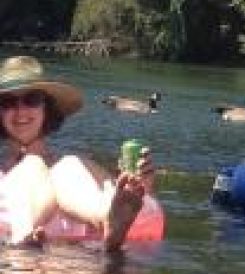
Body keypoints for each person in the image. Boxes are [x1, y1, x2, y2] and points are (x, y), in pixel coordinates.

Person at [0, 55, 156, 251]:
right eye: (8, 102)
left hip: (61, 255)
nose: (20, 111)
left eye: (32, 100)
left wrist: (141, 186)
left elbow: (119, 195)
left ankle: (107, 220)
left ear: (46, 108)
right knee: (33, 164)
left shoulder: (73, 168)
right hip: (25, 241)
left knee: (69, 164)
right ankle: (24, 235)